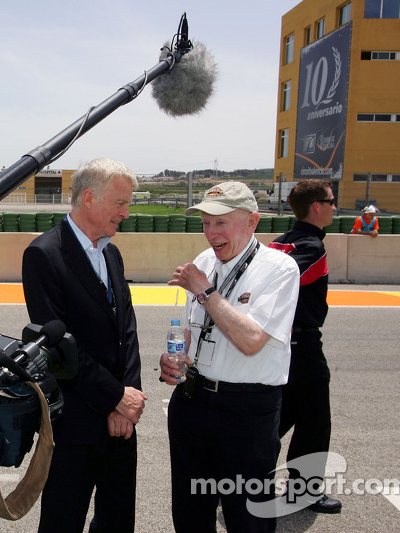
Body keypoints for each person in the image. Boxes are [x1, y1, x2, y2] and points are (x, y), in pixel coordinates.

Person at [160, 181, 300, 533]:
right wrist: (175, 360)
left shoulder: (279, 269)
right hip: (193, 402)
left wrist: (205, 291)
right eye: (206, 222)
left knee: (248, 517)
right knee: (190, 514)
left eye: (221, 222)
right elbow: (193, 330)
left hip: (246, 412)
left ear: (252, 222)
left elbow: (251, 339)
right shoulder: (203, 262)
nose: (210, 232)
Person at [22, 158, 147, 533]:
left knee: (117, 519)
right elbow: (59, 349)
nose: (126, 213)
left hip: (121, 422)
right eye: (120, 203)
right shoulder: (44, 254)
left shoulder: (111, 252)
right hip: (75, 423)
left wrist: (129, 399)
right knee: (64, 519)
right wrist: (115, 398)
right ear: (89, 198)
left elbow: (127, 331)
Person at [268, 179, 342, 514]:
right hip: (303, 345)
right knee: (314, 421)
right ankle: (304, 491)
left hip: (276, 342)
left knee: (279, 417)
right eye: (331, 200)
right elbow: (281, 282)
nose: (335, 206)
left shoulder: (277, 243)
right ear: (317, 206)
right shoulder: (311, 247)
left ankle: (244, 479)